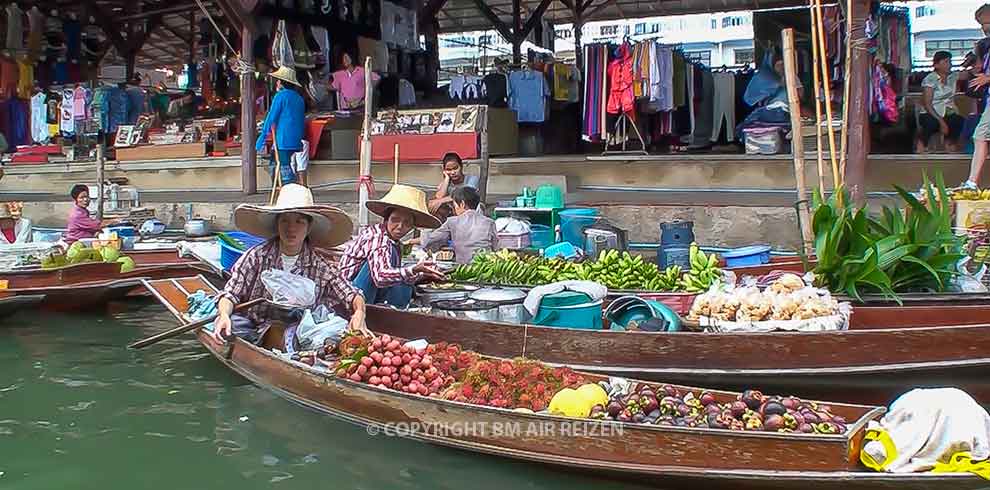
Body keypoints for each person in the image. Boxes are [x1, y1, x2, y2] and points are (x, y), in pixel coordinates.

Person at [210, 183, 369, 345]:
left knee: (336, 332)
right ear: (277, 225)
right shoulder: (257, 257)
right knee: (233, 326)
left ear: (308, 227)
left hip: (298, 333)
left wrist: (359, 313)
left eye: (299, 222)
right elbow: (230, 294)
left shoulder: (321, 266)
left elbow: (353, 294)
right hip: (254, 328)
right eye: (285, 221)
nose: (291, 228)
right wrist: (223, 315)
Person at [339, 184, 446, 307]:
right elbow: (380, 277)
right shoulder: (377, 237)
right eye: (395, 219)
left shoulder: (394, 243)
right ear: (386, 219)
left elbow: (395, 274)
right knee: (398, 273)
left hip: (369, 292)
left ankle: (394, 310)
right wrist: (414, 269)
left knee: (405, 280)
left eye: (407, 223)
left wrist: (422, 275)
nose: (400, 226)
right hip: (349, 296)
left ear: (412, 227)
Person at [257, 66, 306, 187]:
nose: (277, 83)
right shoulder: (299, 98)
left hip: (284, 139)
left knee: (284, 168)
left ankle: (290, 190)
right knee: (277, 163)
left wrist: (262, 136)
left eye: (278, 80)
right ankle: (283, 188)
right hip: (295, 139)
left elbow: (271, 117)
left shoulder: (280, 96)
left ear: (281, 83)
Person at [421, 186, 496, 264]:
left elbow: (426, 243)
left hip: (464, 270)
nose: (454, 209)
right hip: (486, 267)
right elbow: (496, 248)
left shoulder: (452, 222)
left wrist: (427, 220)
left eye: (454, 205)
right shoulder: (489, 222)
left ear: (462, 204)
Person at [962, 4, 990, 189]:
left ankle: (972, 182)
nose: (983, 28)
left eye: (985, 23)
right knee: (980, 136)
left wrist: (987, 77)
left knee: (980, 135)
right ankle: (972, 182)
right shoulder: (985, 45)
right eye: (981, 24)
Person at [918, 51, 968, 154]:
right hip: (930, 112)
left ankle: (949, 144)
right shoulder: (930, 79)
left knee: (958, 120)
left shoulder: (952, 76)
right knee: (931, 123)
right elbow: (927, 104)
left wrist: (968, 62)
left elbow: (969, 74)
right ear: (937, 65)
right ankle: (922, 145)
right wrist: (941, 122)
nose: (949, 64)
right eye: (945, 62)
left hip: (947, 110)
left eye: (950, 61)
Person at [428, 153, 480, 218]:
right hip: (452, 218)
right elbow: (438, 197)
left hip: (471, 217)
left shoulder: (472, 179)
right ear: (444, 170)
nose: (453, 172)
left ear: (461, 166)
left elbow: (465, 195)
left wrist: (440, 201)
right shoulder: (445, 184)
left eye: (455, 168)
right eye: (448, 170)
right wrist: (446, 178)